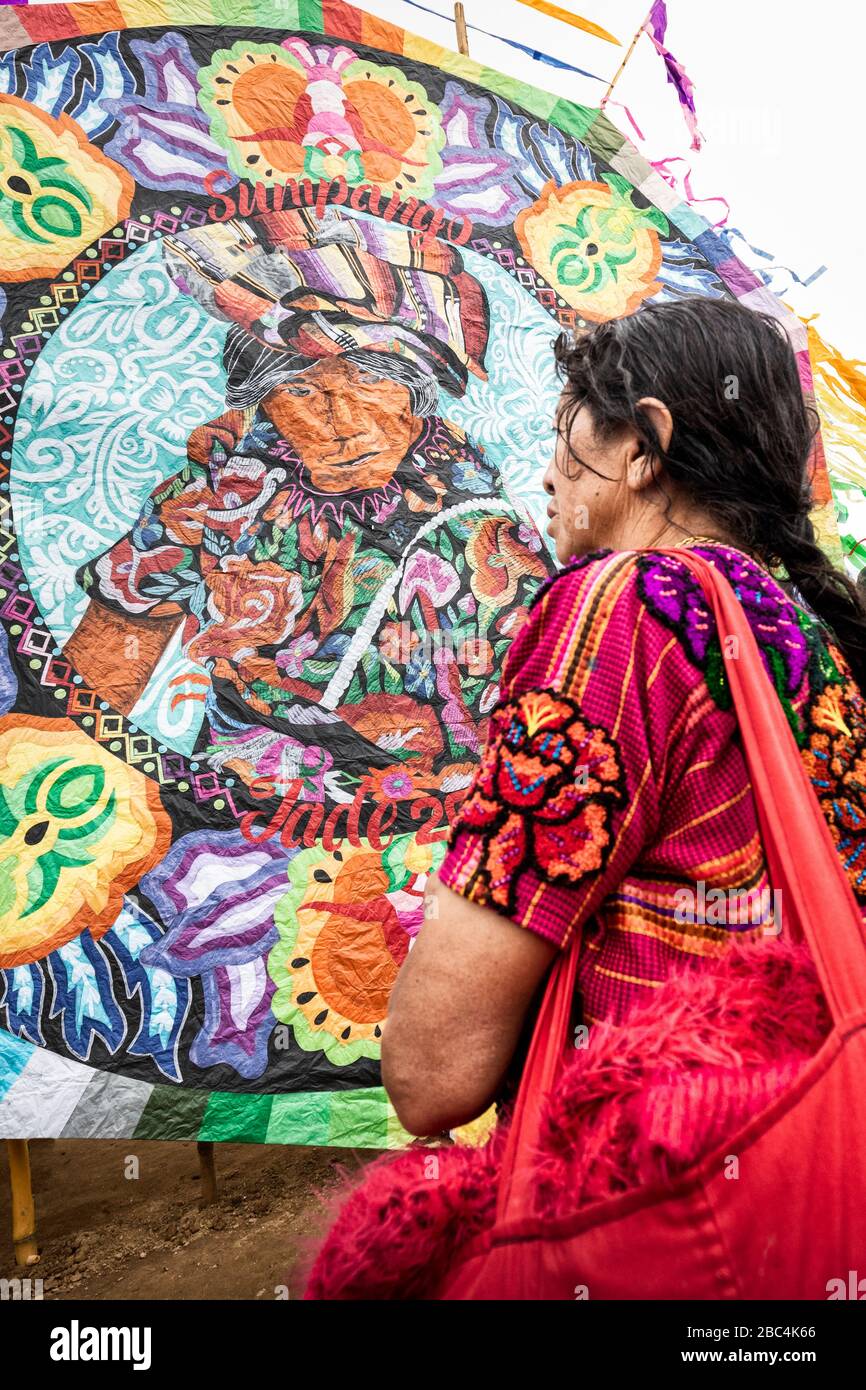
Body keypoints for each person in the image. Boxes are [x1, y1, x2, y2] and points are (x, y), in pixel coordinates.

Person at [382, 295, 866, 1136]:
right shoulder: (810, 633)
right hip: (795, 1164)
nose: (544, 476)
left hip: (644, 1182)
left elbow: (432, 1075)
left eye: (566, 435)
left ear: (643, 444)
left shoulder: (625, 607)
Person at [64, 208, 548, 796]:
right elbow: (108, 657)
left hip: (427, 811)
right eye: (299, 390)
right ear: (261, 406)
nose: (340, 424)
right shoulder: (224, 485)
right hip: (231, 793)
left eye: (371, 383)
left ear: (419, 395)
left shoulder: (482, 521)